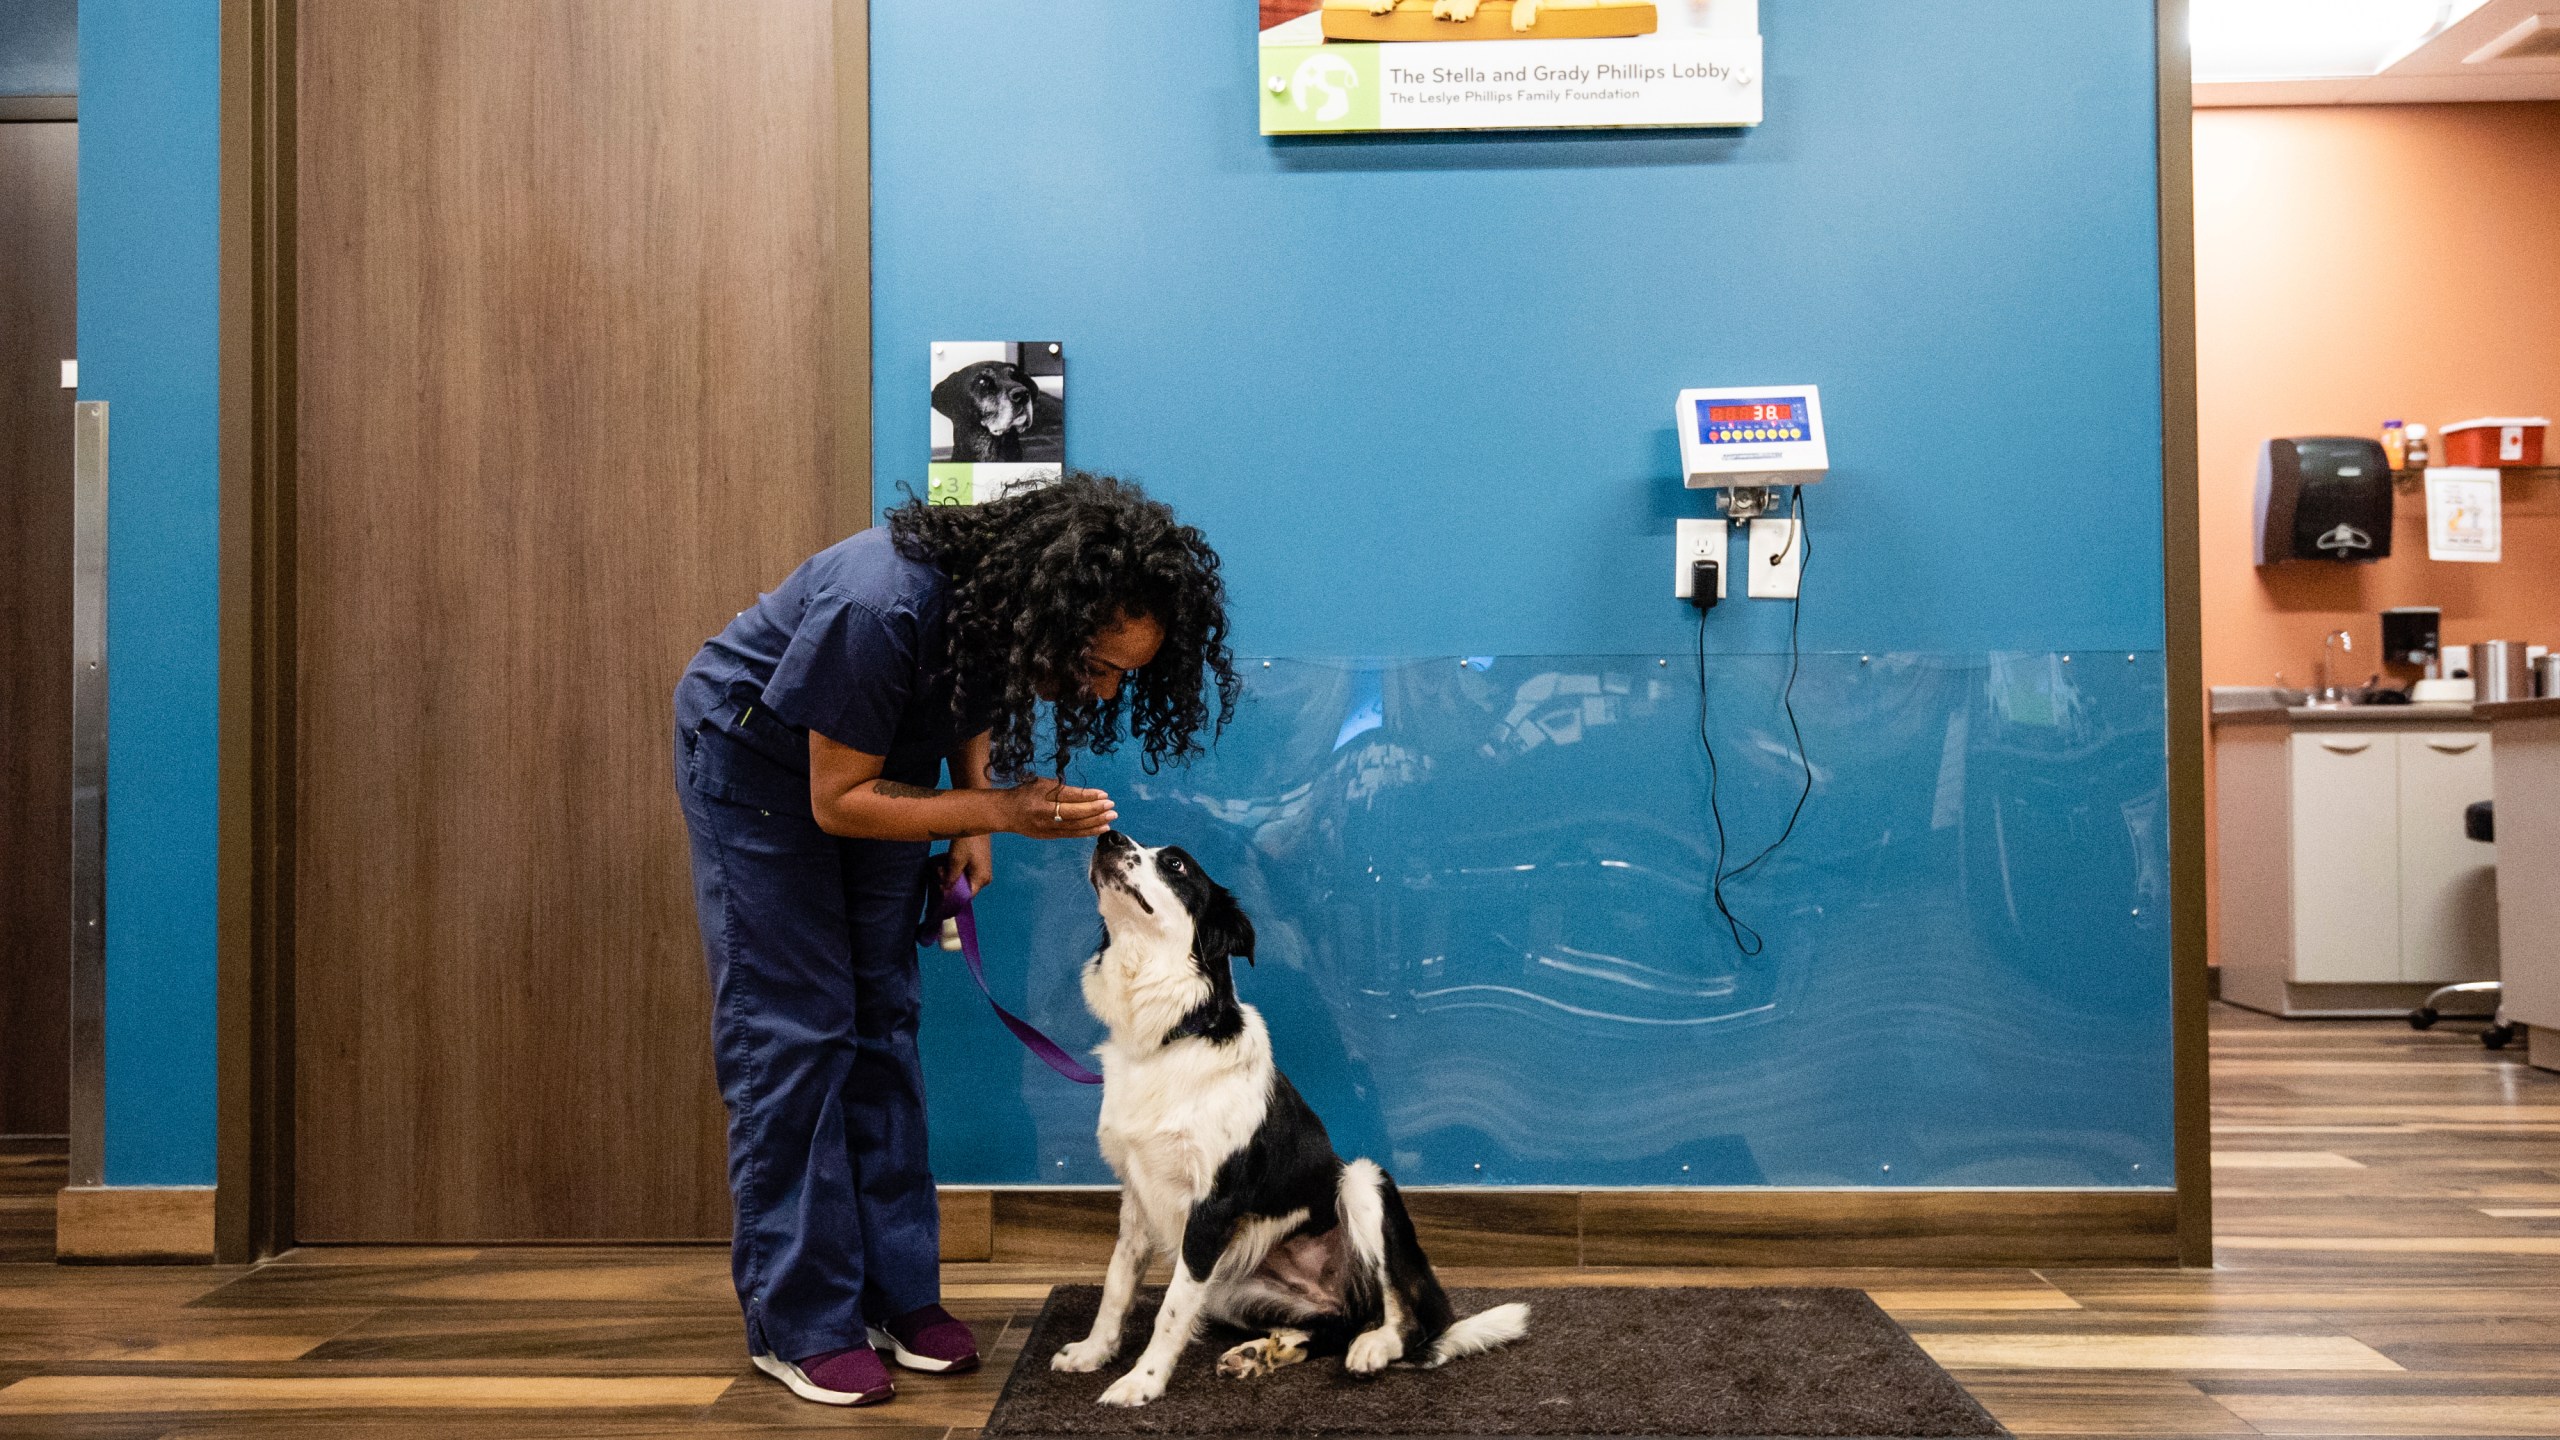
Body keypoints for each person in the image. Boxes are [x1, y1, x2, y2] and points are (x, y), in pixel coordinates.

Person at [673, 473, 1238, 1407]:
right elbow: (834, 801)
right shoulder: (876, 603)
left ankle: (899, 1296)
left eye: (1120, 677)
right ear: (1056, 616)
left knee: (883, 1020)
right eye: (1096, 663)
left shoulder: (1000, 604)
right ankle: (801, 1321)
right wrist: (1000, 810)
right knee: (797, 1034)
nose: (1099, 688)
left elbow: (969, 694)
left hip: (873, 767)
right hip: (761, 770)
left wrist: (970, 821)